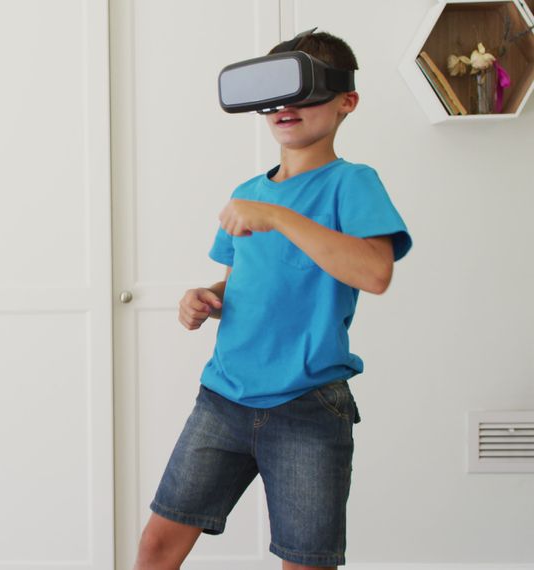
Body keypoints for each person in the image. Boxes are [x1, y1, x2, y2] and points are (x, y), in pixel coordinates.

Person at [136, 31, 412, 569]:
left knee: (305, 562)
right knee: (157, 545)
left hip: (307, 407)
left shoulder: (352, 184)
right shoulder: (248, 193)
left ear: (345, 101)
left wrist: (280, 217)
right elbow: (243, 280)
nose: (285, 107)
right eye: (274, 92)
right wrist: (206, 296)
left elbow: (375, 273)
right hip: (223, 399)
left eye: (304, 91)